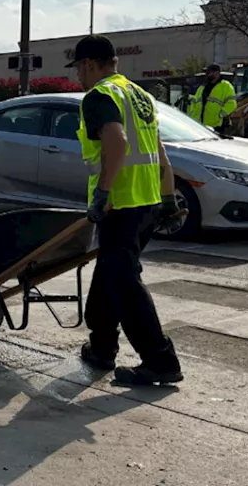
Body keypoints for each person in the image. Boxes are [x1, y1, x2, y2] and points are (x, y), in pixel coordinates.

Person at [68, 35, 184, 386]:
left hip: (122, 204)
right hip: (147, 202)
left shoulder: (100, 96)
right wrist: (168, 199)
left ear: (89, 63)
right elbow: (158, 151)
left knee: (124, 282)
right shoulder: (139, 95)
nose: (78, 77)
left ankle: (160, 360)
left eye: (78, 68)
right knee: (110, 277)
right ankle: (101, 347)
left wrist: (102, 193)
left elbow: (117, 141)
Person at [187, 63, 236, 134]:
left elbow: (232, 104)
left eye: (209, 72)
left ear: (217, 73)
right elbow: (194, 103)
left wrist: (220, 115)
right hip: (201, 125)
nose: (207, 74)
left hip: (216, 125)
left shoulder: (226, 86)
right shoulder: (202, 87)